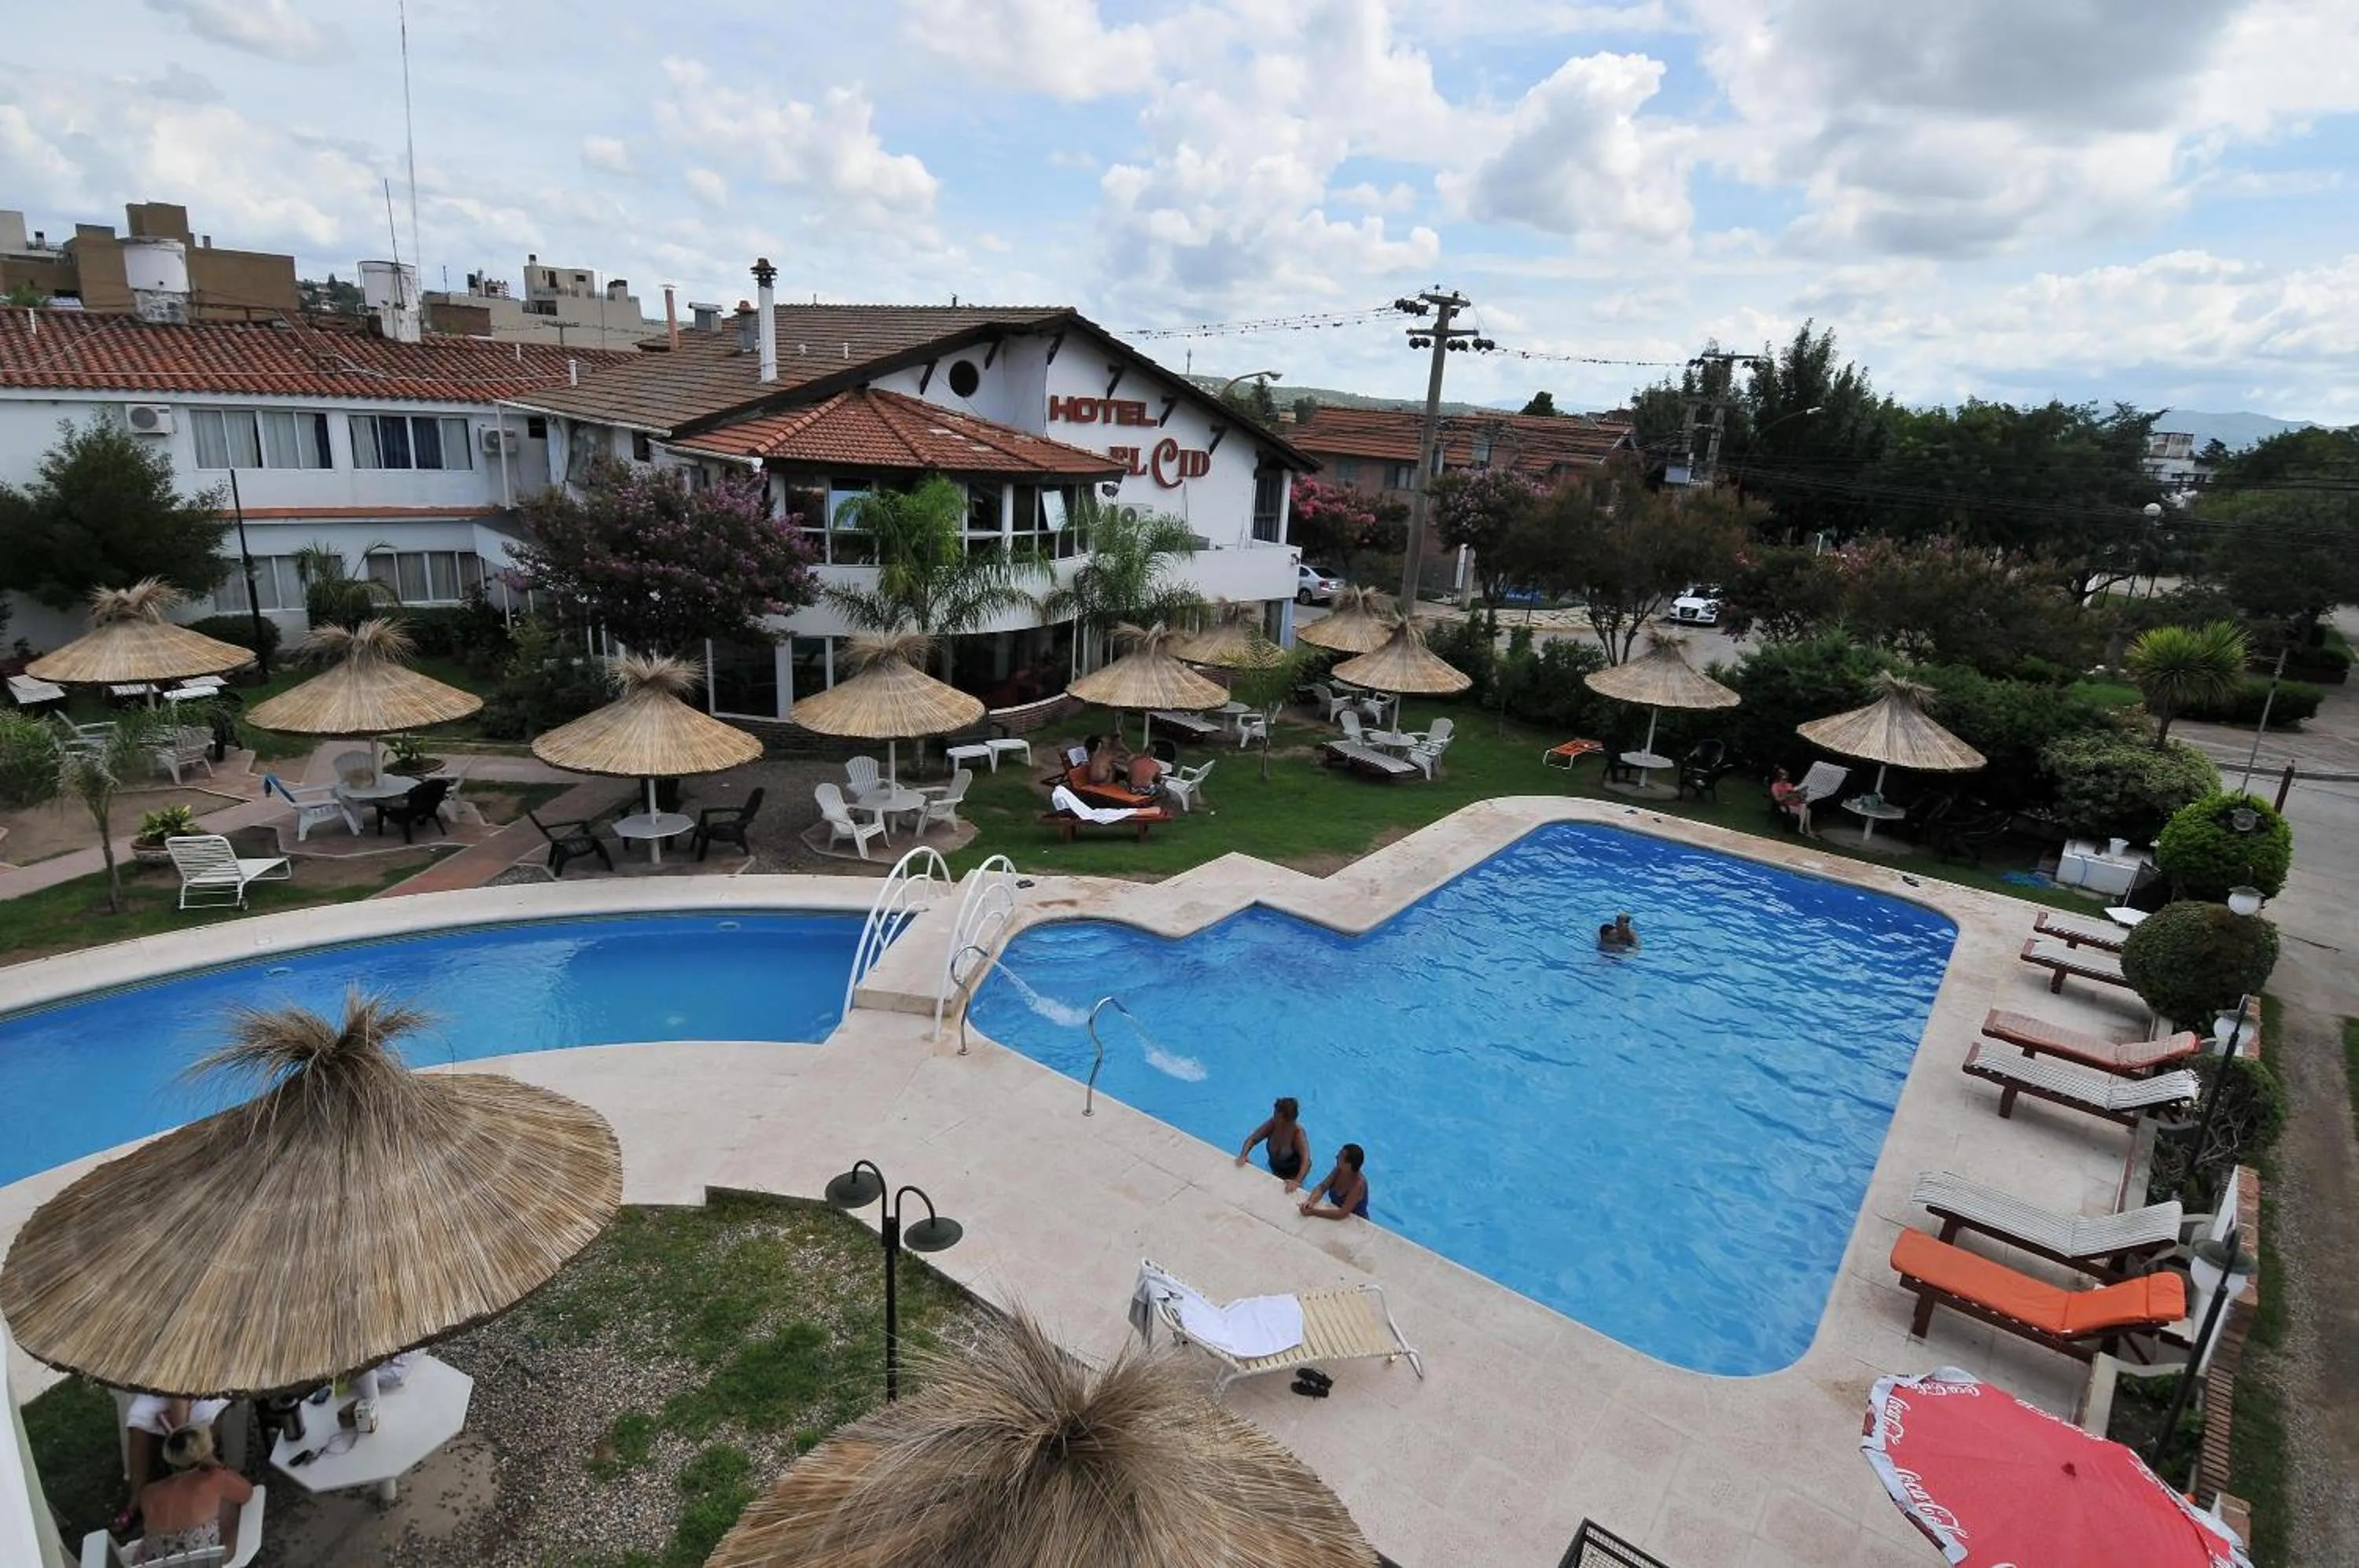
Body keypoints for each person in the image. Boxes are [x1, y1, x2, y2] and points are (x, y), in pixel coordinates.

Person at [131, 1424, 252, 1560]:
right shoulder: (217, 1480)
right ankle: (230, 1552)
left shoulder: (148, 1492)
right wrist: (218, 1466)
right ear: (206, 1451)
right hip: (200, 1561)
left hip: (157, 1561)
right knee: (230, 1504)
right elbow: (247, 1492)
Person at [117, 1393, 231, 1529]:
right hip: (165, 1387)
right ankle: (137, 1497)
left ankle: (204, 1488)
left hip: (207, 1387)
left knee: (204, 1419)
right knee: (138, 1418)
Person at [1235, 1097, 1312, 1191]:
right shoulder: (1273, 1124)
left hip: (1291, 1177)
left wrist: (1297, 1181)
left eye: (1276, 1115)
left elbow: (1307, 1162)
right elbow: (1253, 1139)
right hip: (1274, 1169)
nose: (1273, 1116)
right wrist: (1243, 1155)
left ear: (1284, 1119)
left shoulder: (1297, 1134)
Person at [1298, 1143, 1370, 1221]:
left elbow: (1342, 1213)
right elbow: (1322, 1187)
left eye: (1341, 1156)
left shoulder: (1358, 1185)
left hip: (1354, 1222)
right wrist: (1310, 1201)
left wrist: (1313, 1212)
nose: (1336, 1156)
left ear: (1348, 1165)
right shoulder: (1339, 1170)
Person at [1771, 765, 1818, 838]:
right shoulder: (1775, 786)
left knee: (1806, 807)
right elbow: (1777, 799)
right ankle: (1805, 830)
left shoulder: (1789, 785)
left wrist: (1801, 794)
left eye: (1786, 779)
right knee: (1807, 810)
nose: (1785, 781)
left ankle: (1804, 829)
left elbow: (1794, 794)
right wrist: (1786, 796)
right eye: (1783, 779)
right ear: (1779, 778)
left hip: (1794, 803)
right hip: (1785, 805)